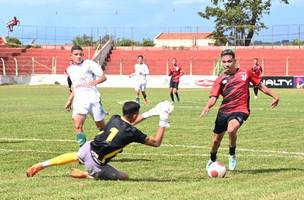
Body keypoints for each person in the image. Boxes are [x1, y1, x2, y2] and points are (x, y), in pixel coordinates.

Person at [26, 101, 174, 180]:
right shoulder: (132, 133)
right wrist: (163, 119)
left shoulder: (115, 118)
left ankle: (43, 164)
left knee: (75, 155)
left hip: (88, 148)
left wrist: (152, 112)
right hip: (96, 164)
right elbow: (156, 143)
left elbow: (130, 122)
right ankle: (88, 175)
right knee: (124, 176)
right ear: (134, 115)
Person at [200, 49, 279, 171]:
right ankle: (212, 158)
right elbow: (213, 98)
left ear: (235, 61)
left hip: (241, 109)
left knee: (231, 129)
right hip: (224, 111)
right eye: (224, 61)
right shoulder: (220, 79)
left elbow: (260, 85)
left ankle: (232, 154)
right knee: (216, 140)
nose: (227, 64)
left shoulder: (246, 73)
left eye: (229, 61)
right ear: (222, 62)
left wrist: (275, 96)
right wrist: (207, 106)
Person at [64, 45, 107, 147]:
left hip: (93, 99)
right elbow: (75, 87)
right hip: (79, 101)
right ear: (71, 56)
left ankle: (111, 142)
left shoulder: (89, 64)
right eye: (76, 54)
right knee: (78, 126)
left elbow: (103, 77)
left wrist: (94, 82)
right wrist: (70, 100)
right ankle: (83, 151)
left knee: (101, 127)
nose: (79, 56)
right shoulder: (69, 70)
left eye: (81, 54)